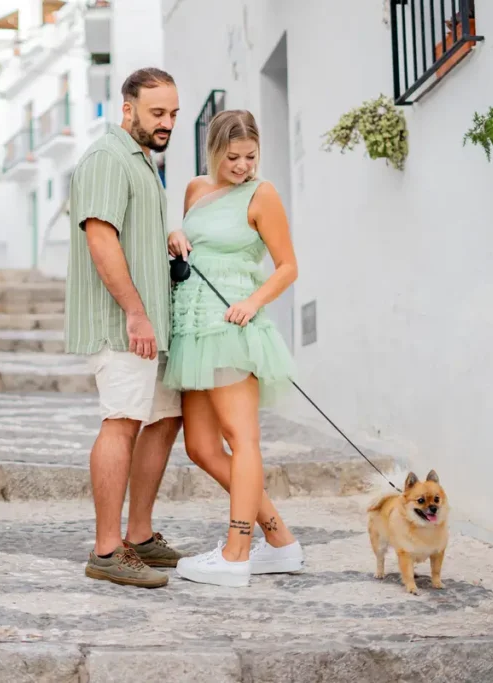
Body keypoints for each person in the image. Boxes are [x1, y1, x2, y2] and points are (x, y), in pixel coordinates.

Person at [165, 109, 303, 588]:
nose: (243, 166)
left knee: (242, 440)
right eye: (233, 157)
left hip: (231, 327)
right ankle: (280, 542)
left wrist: (252, 302)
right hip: (192, 329)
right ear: (214, 152)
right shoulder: (195, 189)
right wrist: (176, 235)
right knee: (201, 447)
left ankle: (236, 552)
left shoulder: (262, 194)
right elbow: (194, 244)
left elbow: (288, 266)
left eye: (250, 156)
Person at [64, 67, 185, 588]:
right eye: (157, 112)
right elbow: (101, 237)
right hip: (123, 324)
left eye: (173, 113)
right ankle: (107, 550)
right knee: (122, 421)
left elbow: (131, 232)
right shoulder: (107, 158)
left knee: (164, 420)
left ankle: (139, 535)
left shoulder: (141, 162)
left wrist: (166, 236)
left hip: (153, 326)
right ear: (127, 109)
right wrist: (135, 311)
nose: (167, 122)